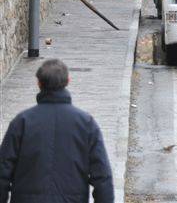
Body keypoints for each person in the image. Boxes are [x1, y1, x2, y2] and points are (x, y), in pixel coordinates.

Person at [0, 58, 113, 202]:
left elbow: (3, 171)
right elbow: (102, 176)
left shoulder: (22, 122)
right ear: (68, 81)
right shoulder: (86, 124)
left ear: (39, 83)